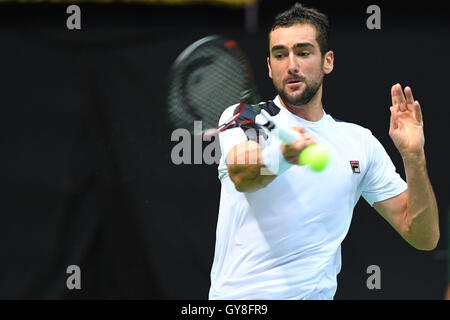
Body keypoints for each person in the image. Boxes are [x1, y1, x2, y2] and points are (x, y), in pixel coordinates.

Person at [209, 3, 439, 300]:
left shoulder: (359, 142)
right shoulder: (246, 116)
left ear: (327, 61)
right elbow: (242, 174)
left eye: (303, 53)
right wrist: (283, 156)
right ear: (269, 66)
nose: (291, 64)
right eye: (280, 55)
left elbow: (423, 236)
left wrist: (414, 158)